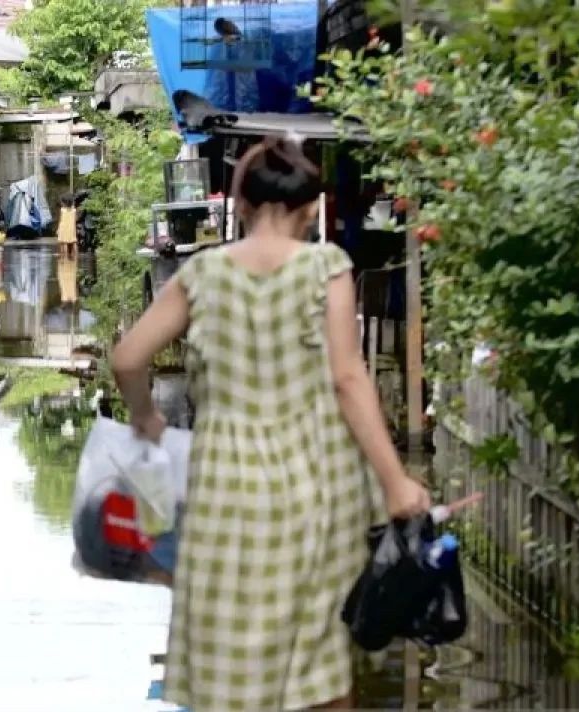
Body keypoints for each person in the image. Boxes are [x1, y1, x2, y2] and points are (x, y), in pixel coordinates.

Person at [111, 135, 431, 711]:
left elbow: (128, 358)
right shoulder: (324, 266)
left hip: (223, 489)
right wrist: (395, 481)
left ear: (240, 204)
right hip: (316, 487)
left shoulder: (203, 272)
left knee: (229, 658)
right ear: (310, 209)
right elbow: (348, 379)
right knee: (319, 661)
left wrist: (147, 419)